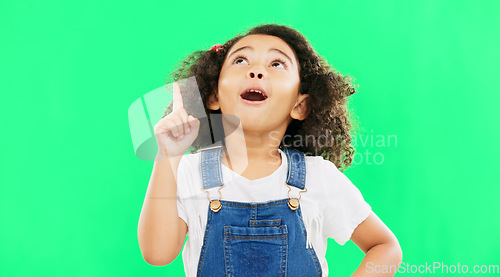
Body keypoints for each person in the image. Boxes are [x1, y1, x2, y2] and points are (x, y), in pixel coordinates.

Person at [138, 23, 403, 277]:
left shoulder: (318, 177)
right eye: (240, 61)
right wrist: (168, 155)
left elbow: (385, 248)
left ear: (300, 106)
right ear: (214, 96)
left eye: (277, 64)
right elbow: (157, 254)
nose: (256, 71)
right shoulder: (188, 171)